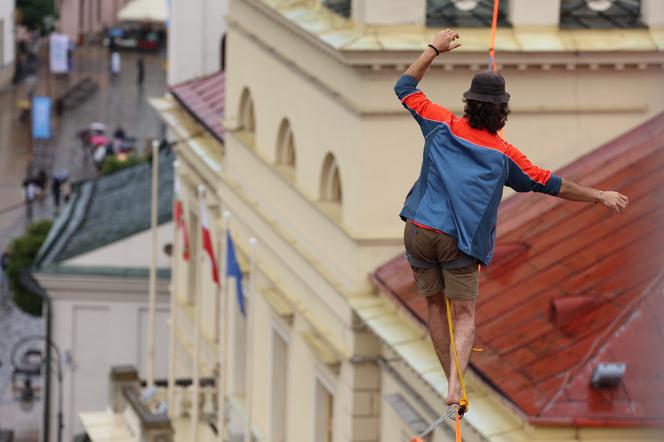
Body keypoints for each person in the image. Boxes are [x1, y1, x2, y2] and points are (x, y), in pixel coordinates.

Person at [395, 29, 629, 412]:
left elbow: (404, 86)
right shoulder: (505, 155)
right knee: (465, 315)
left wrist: (434, 49)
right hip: (459, 243)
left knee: (435, 306)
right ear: (502, 113)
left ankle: (449, 379)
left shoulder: (441, 124)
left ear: (468, 104)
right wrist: (599, 195)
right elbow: (551, 183)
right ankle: (456, 386)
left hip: (418, 230)